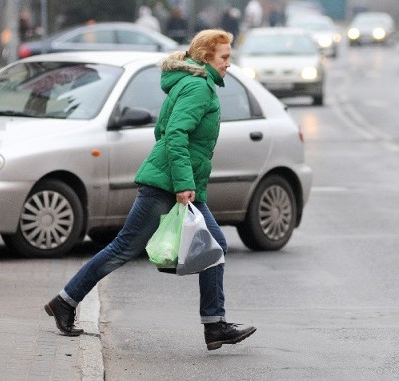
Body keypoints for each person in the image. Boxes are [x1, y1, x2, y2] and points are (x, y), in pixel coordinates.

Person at [44, 29, 257, 351]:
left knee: (214, 247)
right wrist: (184, 183)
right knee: (123, 249)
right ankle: (65, 301)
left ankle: (214, 325)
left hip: (178, 182)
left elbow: (161, 128)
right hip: (167, 185)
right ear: (205, 57)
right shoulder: (198, 88)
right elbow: (173, 135)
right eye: (224, 57)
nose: (230, 63)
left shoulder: (192, 85)